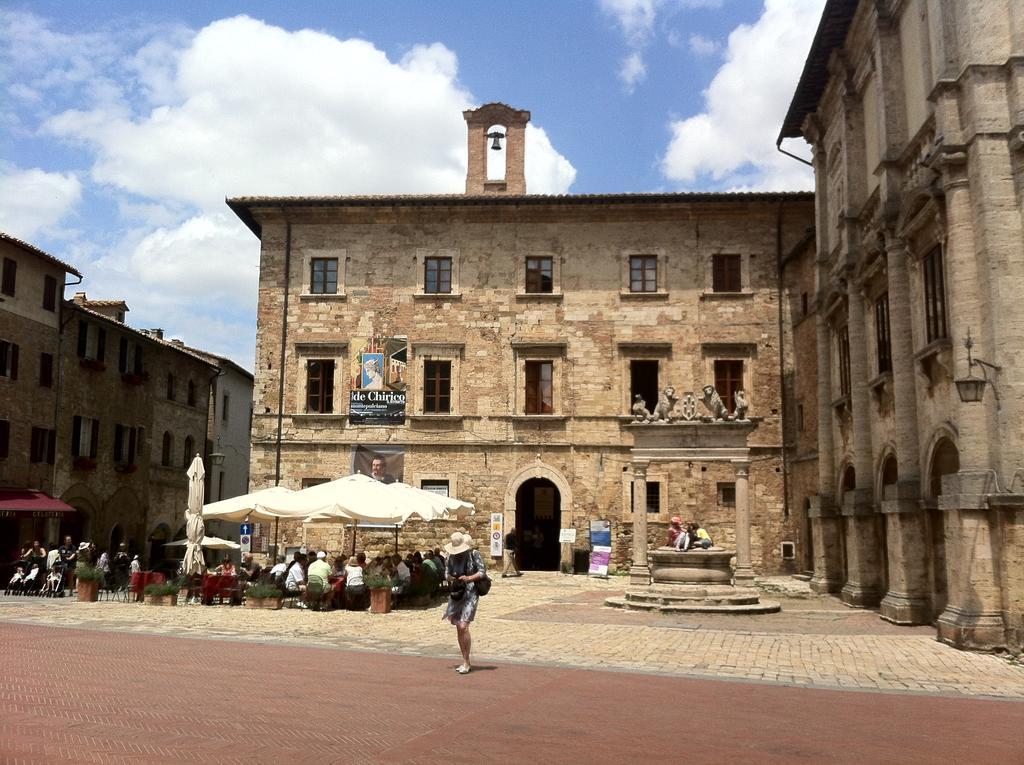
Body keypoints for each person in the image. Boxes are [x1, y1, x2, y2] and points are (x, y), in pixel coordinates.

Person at [442, 531, 486, 675]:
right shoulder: (450, 557)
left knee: (463, 625)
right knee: (458, 627)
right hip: (457, 594)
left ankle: (466, 661)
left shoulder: (474, 555)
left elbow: (482, 572)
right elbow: (446, 574)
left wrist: (469, 578)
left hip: (471, 593)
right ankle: (465, 658)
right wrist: (452, 578)